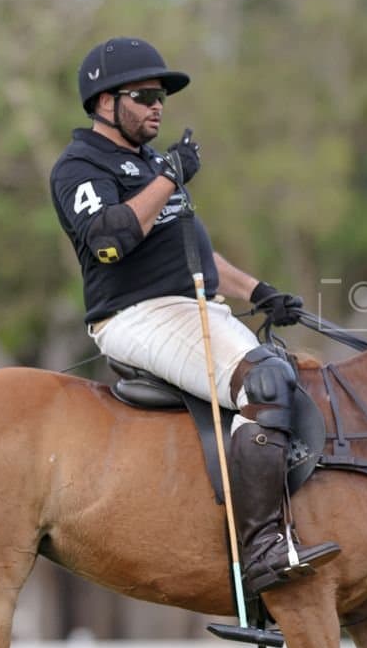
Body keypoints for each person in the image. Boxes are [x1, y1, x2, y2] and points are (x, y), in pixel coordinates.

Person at [49, 37, 340, 595]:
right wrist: (170, 177)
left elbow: (196, 255)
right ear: (105, 102)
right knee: (264, 382)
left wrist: (260, 291)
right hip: (136, 315)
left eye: (162, 95)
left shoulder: (150, 162)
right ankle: (260, 552)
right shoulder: (79, 165)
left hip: (191, 306)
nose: (159, 105)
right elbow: (109, 240)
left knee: (291, 377)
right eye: (145, 95)